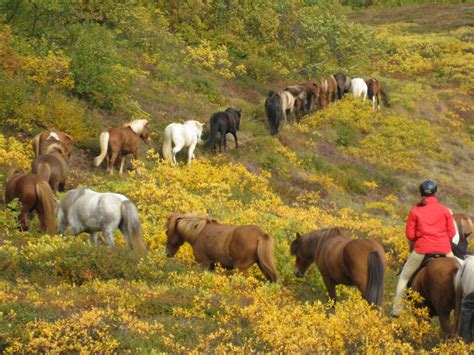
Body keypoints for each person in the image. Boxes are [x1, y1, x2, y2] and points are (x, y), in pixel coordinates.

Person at [392, 179, 457, 316]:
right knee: (461, 273)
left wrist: (421, 238)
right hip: (445, 249)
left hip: (422, 250)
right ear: (436, 193)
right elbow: (451, 233)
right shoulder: (444, 210)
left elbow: (410, 234)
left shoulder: (415, 211)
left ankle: (396, 311)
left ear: (421, 193)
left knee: (404, 278)